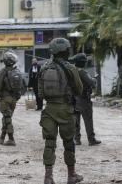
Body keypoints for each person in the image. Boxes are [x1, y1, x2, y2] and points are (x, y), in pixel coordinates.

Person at [38, 38, 83, 184]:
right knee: (69, 143)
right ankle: (71, 175)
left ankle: (48, 177)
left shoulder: (44, 68)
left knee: (49, 143)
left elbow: (40, 93)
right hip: (66, 110)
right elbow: (79, 89)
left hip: (49, 110)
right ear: (65, 51)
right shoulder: (70, 68)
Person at [69, 53, 101, 146]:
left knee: (76, 120)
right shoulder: (82, 72)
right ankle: (91, 139)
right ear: (82, 63)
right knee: (88, 120)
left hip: (73, 99)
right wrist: (94, 79)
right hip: (83, 99)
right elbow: (91, 83)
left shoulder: (72, 71)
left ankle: (77, 139)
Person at [0, 51, 25, 146]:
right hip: (14, 99)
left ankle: (11, 139)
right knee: (7, 117)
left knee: (7, 119)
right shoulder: (17, 71)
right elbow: (23, 86)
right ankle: (2, 137)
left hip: (5, 98)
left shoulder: (4, 71)